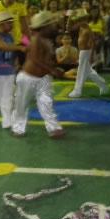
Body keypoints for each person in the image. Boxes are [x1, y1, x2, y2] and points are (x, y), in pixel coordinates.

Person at [11, 11, 65, 139]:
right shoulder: (36, 39)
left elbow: (45, 58)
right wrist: (52, 70)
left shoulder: (45, 40)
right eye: (51, 24)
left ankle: (54, 127)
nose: (53, 26)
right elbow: (35, 59)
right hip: (28, 77)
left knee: (46, 102)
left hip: (44, 77)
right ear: (44, 27)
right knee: (22, 104)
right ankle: (18, 128)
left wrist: (53, 68)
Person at [67, 10, 109, 98]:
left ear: (85, 19)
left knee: (81, 71)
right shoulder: (81, 27)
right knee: (88, 71)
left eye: (82, 20)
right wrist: (70, 18)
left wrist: (91, 57)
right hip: (82, 52)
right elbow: (68, 29)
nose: (79, 21)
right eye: (78, 20)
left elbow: (92, 43)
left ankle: (77, 91)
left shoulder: (88, 30)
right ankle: (103, 85)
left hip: (86, 52)